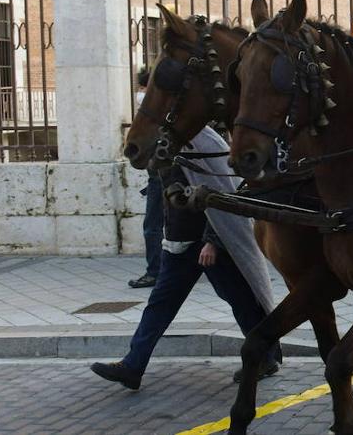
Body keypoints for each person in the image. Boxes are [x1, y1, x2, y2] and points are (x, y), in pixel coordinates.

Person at [91, 127, 281, 390]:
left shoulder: (205, 140)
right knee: (159, 306)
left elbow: (224, 193)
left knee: (242, 301)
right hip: (179, 243)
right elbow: (167, 185)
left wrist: (212, 242)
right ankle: (133, 366)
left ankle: (265, 357)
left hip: (208, 246)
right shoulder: (167, 139)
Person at [129, 67, 162, 289]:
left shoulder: (158, 110)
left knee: (153, 226)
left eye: (143, 88)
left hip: (162, 175)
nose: (140, 93)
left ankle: (154, 272)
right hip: (158, 174)